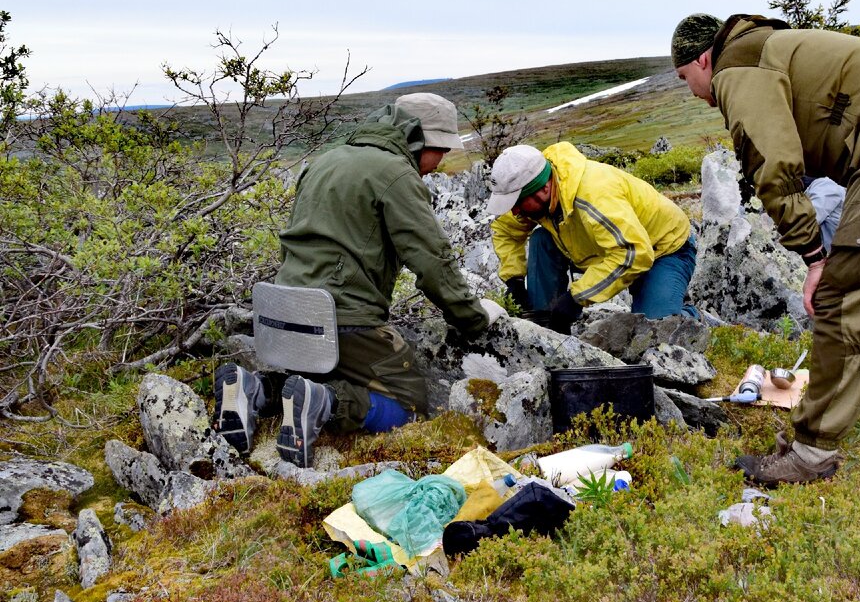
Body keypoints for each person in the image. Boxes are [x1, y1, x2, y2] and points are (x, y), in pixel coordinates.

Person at [671, 13, 860, 485]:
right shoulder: (775, 47)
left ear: (703, 59)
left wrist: (816, 258)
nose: (691, 92)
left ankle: (811, 453)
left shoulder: (737, 67)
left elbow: (771, 165)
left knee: (842, 293)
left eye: (684, 77)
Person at [212, 93, 506, 467]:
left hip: (283, 309)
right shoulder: (396, 173)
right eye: (441, 148)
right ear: (417, 138)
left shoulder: (326, 161)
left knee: (307, 379)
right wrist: (473, 318)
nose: (443, 159)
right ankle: (328, 405)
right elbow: (433, 262)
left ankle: (252, 387)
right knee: (408, 405)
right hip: (340, 317)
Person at [486, 142, 698, 334]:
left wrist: (576, 298)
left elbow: (633, 253)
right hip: (604, 245)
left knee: (653, 332)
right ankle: (545, 325)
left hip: (663, 248)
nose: (515, 212)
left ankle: (691, 316)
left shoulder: (594, 195)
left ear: (543, 189)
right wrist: (514, 279)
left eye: (517, 203)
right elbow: (505, 231)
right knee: (542, 239)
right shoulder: (536, 192)